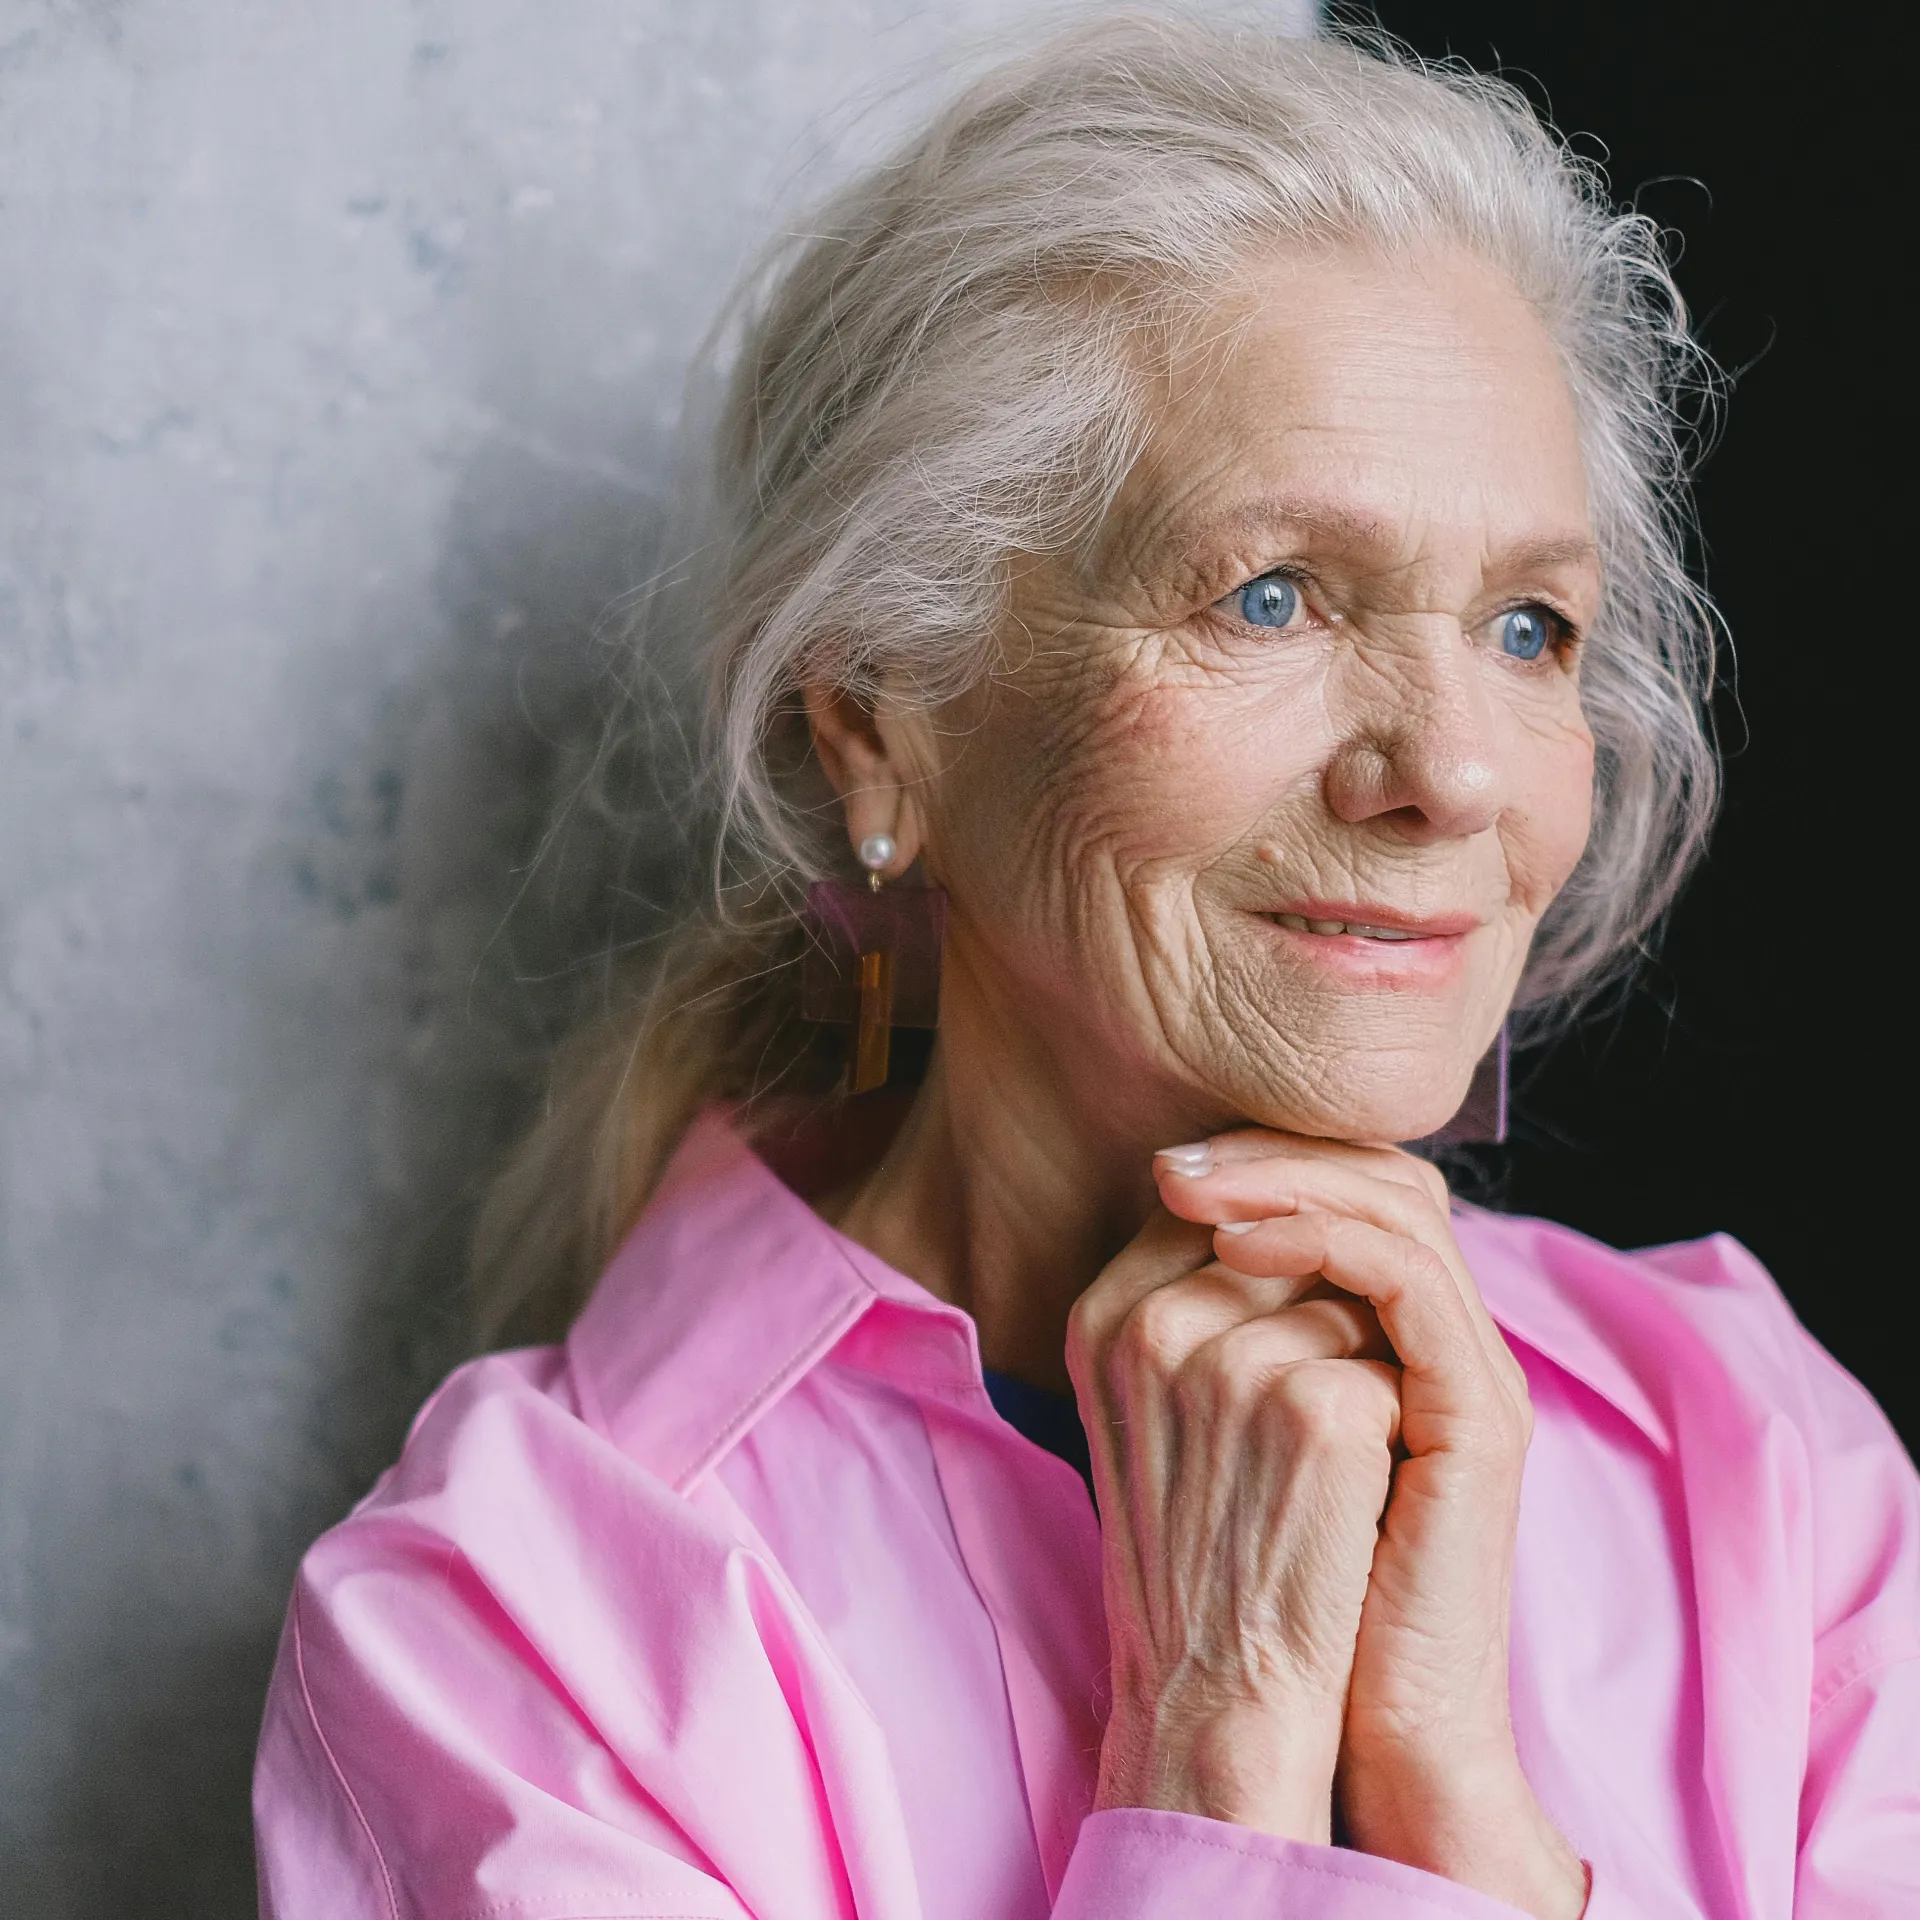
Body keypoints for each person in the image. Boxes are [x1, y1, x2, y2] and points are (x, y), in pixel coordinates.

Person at [252, 15, 1920, 1917]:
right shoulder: (505, 1642)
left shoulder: (1758, 1453)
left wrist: (1468, 1813)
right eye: (1270, 596)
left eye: (1531, 627)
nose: (1453, 771)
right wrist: (1218, 1743)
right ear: (886, 719)